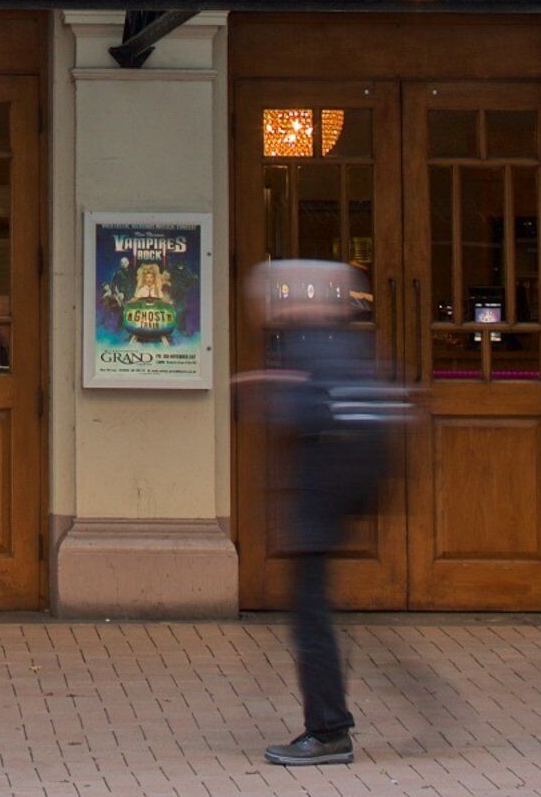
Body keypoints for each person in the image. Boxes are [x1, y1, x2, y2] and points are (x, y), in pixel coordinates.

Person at [241, 259, 397, 767]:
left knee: (311, 617)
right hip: (339, 494)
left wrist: (263, 389)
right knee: (315, 611)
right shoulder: (350, 346)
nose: (267, 304)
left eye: (270, 295)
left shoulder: (307, 346)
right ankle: (328, 726)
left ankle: (329, 731)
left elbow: (304, 414)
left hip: (321, 497)